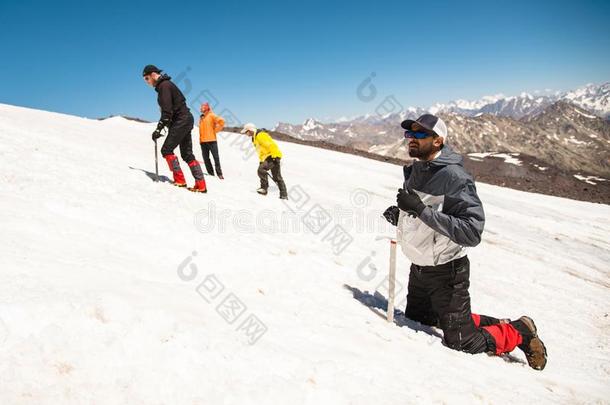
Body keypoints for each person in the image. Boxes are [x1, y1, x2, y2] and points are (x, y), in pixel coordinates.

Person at [383, 113, 547, 370]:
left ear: (438, 141)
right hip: (420, 267)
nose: (411, 139)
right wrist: (403, 216)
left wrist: (421, 212)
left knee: (461, 340)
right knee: (420, 320)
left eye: (419, 134)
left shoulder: (454, 177)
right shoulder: (415, 171)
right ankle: (474, 321)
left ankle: (519, 331)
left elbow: (471, 231)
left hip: (448, 271)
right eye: (409, 134)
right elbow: (427, 212)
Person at [142, 64, 207, 193]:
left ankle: (180, 180)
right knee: (187, 154)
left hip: (181, 120)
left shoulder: (164, 86)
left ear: (153, 75)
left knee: (166, 150)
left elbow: (167, 111)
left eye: (146, 79)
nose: (146, 82)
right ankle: (201, 185)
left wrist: (159, 129)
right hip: (186, 119)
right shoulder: (166, 85)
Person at [241, 123, 288, 199]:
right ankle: (284, 195)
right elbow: (261, 151)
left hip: (273, 156)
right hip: (268, 157)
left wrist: (275, 156)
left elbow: (271, 145)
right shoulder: (255, 137)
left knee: (261, 170)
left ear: (250, 130)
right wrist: (262, 161)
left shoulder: (260, 135)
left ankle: (264, 189)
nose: (246, 134)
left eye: (246, 132)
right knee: (277, 177)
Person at [199, 102, 225, 179]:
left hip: (212, 140)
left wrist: (215, 130)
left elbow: (221, 121)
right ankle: (211, 173)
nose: (201, 108)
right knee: (206, 158)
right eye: (201, 107)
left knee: (216, 158)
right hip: (203, 141)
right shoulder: (201, 117)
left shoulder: (212, 115)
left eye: (202, 106)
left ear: (207, 108)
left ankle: (219, 174)